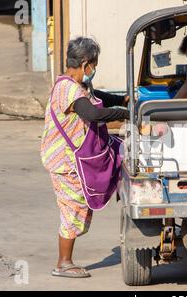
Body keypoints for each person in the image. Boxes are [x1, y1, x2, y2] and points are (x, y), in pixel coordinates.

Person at [40, 37, 129, 278]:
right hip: (64, 162)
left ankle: (65, 260)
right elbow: (91, 112)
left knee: (79, 209)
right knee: (72, 211)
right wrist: (124, 112)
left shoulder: (74, 84)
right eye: (94, 64)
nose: (94, 69)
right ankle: (63, 263)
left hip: (74, 160)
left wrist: (121, 99)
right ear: (86, 63)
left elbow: (94, 95)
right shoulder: (67, 89)